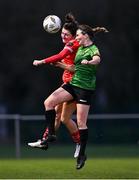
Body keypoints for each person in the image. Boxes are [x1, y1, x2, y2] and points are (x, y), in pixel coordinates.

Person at [29, 24, 108, 169]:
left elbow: (97, 59)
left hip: (85, 89)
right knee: (49, 102)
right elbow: (73, 68)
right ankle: (50, 136)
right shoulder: (80, 48)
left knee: (80, 123)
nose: (76, 37)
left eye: (78, 35)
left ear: (85, 35)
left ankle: (81, 154)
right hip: (73, 84)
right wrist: (61, 65)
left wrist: (90, 61)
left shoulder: (92, 49)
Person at [28, 13, 81, 158]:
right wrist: (61, 65)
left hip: (74, 85)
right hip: (69, 83)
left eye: (66, 34)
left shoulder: (73, 44)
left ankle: (49, 137)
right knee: (61, 118)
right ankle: (48, 140)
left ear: (73, 35)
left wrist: (42, 61)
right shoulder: (73, 43)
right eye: (62, 33)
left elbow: (59, 56)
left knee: (49, 103)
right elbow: (64, 61)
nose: (63, 36)